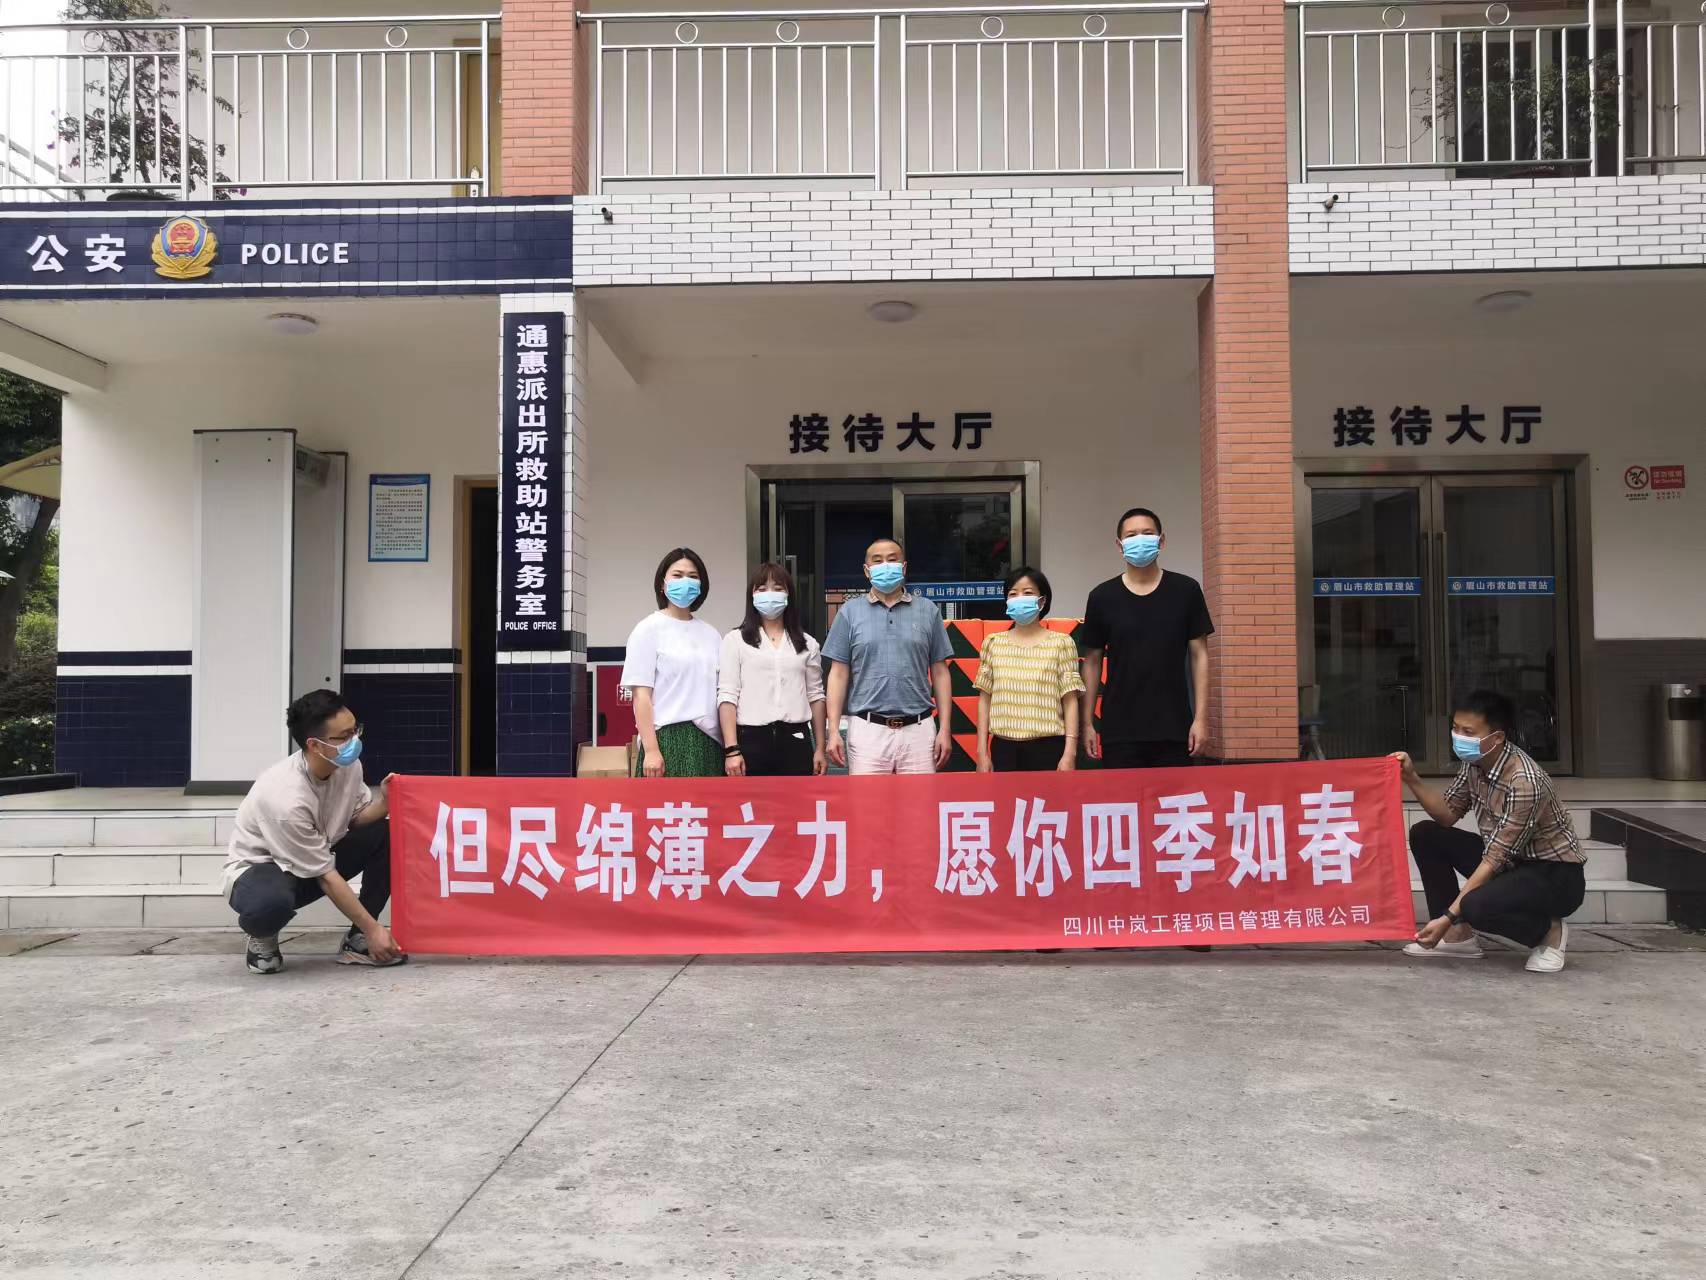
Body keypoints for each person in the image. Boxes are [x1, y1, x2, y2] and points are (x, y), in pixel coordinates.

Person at [1394, 689, 1585, 973]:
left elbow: (1494, 858)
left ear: (1496, 738)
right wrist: (1411, 778)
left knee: (1474, 907)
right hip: (1512, 864)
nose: (1459, 737)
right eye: (1456, 728)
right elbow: (1447, 815)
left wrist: (1448, 916)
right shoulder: (1475, 763)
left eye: (1468, 732)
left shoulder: (1524, 781)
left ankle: (1549, 932)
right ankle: (1457, 937)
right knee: (1426, 834)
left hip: (1554, 874)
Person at [223, 689, 404, 975]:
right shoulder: (283, 798)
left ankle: (357, 939)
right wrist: (376, 929)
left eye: (355, 730)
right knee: (270, 904)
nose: (355, 741)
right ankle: (262, 933)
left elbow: (355, 819)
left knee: (387, 833)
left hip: (314, 856)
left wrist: (385, 803)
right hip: (262, 871)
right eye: (344, 736)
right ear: (315, 744)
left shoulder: (346, 765)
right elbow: (326, 876)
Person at [1080, 506, 1213, 768]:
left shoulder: (1186, 591)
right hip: (1119, 730)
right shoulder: (1102, 597)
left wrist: (1201, 718)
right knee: (1122, 794)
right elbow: (1092, 662)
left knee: (1174, 795)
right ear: (1119, 545)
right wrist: (1087, 723)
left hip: (1174, 727)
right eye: (1131, 535)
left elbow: (1200, 656)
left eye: (1147, 533)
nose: (1139, 539)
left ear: (1161, 540)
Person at [823, 538, 954, 774]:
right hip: (867, 731)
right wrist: (832, 731)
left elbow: (940, 672)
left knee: (920, 799)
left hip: (919, 730)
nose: (885, 565)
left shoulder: (927, 610)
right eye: (877, 560)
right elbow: (838, 674)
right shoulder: (849, 613)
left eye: (892, 559)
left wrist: (945, 729)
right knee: (867, 799)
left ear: (904, 567)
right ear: (866, 571)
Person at [718, 562, 828, 777]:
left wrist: (820, 749)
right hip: (750, 741)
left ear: (789, 595)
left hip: (796, 740)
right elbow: (728, 696)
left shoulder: (808, 644)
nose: (770, 594)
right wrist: (732, 750)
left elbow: (815, 697)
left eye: (778, 588)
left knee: (797, 799)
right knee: (751, 800)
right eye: (762, 589)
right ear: (752, 595)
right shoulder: (735, 640)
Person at [624, 547, 724, 778]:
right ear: (663, 584)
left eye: (693, 576)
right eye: (677, 575)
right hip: (666, 740)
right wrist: (651, 750)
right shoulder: (647, 629)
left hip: (710, 741)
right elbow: (641, 695)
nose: (685, 582)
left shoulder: (712, 634)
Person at [975, 566, 1085, 773]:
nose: (1019, 599)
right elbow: (985, 699)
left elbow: (1070, 701)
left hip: (1048, 748)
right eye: (1013, 594)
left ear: (1042, 601)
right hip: (1004, 749)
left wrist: (1070, 753)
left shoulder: (1061, 643)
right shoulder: (992, 643)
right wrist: (982, 752)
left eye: (1027, 593)